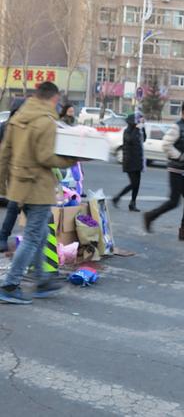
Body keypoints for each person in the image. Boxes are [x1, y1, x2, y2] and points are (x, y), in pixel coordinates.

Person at [0, 82, 79, 304]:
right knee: (34, 236)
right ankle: (10, 285)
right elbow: (46, 157)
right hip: (38, 187)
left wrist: (3, 185)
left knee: (42, 232)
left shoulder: (18, 118)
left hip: (20, 185)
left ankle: (42, 279)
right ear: (53, 99)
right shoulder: (45, 122)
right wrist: (72, 160)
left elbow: (4, 153)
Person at [143, 98, 184, 242]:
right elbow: (166, 145)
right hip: (177, 171)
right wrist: (179, 156)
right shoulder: (177, 127)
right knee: (174, 202)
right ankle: (150, 216)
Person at [0, 98, 25, 253]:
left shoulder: (26, 128)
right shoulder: (4, 128)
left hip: (24, 172)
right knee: (14, 205)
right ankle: (3, 236)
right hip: (9, 171)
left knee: (20, 206)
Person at [112, 113, 146, 212]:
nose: (139, 122)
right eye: (138, 121)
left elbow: (143, 139)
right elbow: (131, 140)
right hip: (129, 161)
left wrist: (143, 128)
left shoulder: (138, 131)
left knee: (137, 184)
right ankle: (117, 198)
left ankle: (132, 203)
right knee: (133, 183)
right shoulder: (127, 131)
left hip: (138, 161)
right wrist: (137, 128)